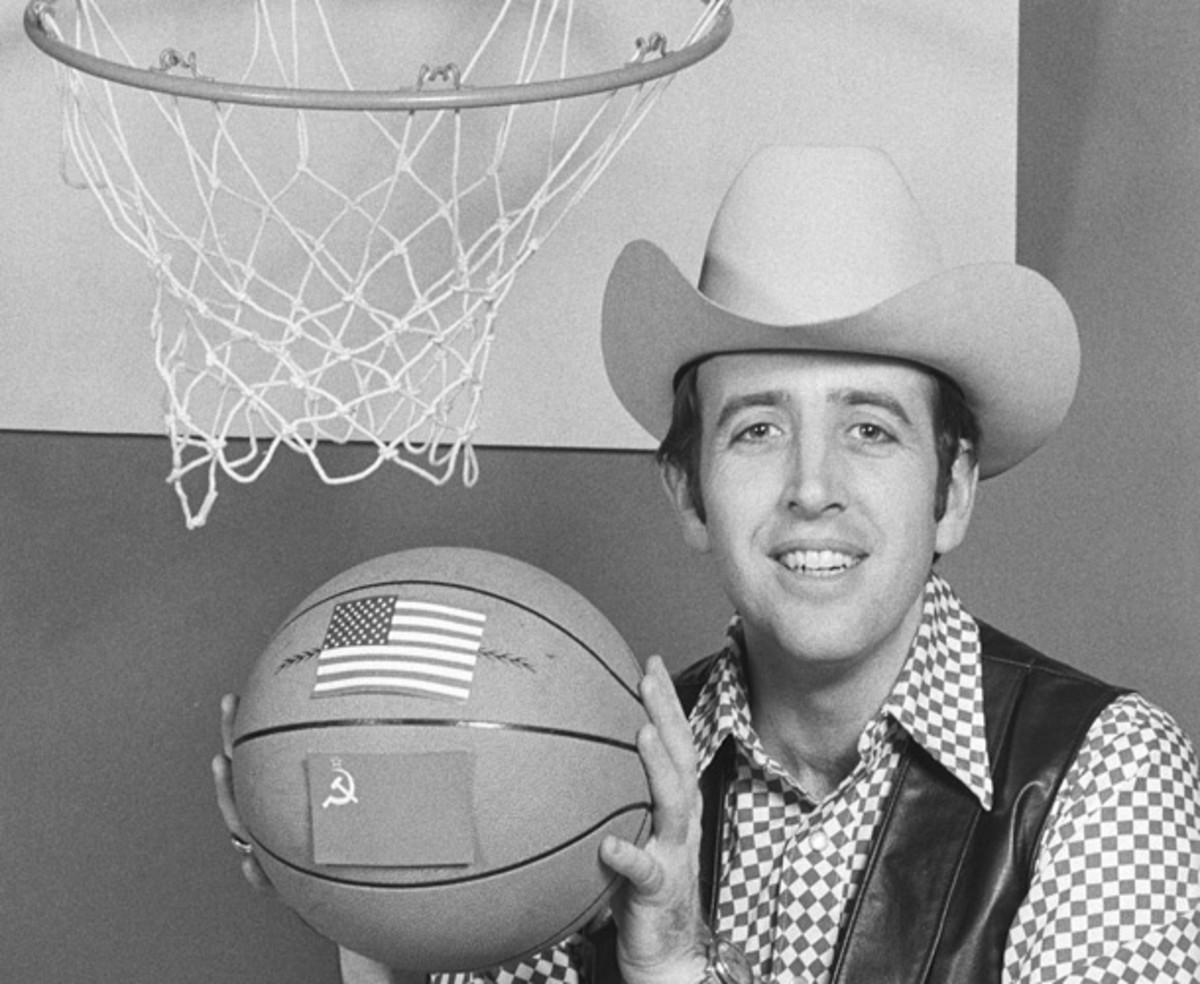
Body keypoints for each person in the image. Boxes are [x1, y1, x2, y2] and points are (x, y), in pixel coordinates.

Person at [214, 145, 1200, 983]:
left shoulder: (1104, 778)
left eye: (870, 428)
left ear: (953, 492)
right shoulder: (585, 779)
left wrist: (676, 964)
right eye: (758, 428)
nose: (812, 486)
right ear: (689, 491)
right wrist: (366, 886)